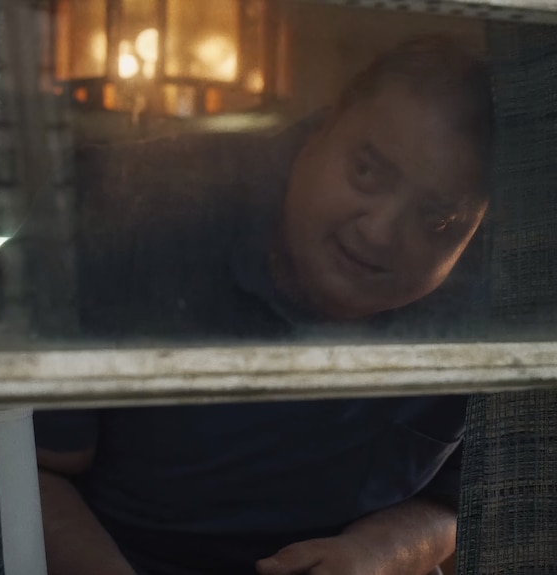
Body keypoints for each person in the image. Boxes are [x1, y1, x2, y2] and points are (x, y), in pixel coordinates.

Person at [34, 34, 493, 575]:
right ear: (321, 127)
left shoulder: (502, 305)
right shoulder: (136, 212)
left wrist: (383, 553)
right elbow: (30, 470)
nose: (381, 232)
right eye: (367, 171)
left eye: (436, 218)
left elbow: (459, 501)